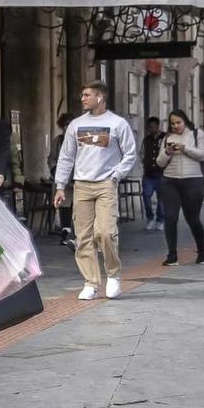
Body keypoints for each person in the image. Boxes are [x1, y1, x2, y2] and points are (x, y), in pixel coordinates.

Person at [54, 81, 138, 302]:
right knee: (83, 238)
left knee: (106, 233)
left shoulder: (117, 124)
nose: (82, 99)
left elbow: (130, 153)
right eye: (82, 95)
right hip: (81, 185)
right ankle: (91, 282)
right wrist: (60, 186)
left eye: (87, 95)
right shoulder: (75, 125)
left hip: (105, 185)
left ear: (100, 97)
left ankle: (113, 274)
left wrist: (116, 175)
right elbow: (66, 156)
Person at [157, 109, 204, 265]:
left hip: (192, 180)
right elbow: (160, 162)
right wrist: (167, 151)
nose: (175, 126)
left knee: (192, 218)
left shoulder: (196, 134)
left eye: (178, 123)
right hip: (170, 181)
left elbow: (203, 154)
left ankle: (202, 251)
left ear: (185, 121)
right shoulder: (168, 137)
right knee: (170, 218)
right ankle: (172, 255)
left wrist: (184, 148)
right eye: (172, 123)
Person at [48, 109, 76, 249]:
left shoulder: (79, 140)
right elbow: (51, 158)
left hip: (76, 179)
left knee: (77, 206)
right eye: (64, 125)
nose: (66, 127)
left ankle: (77, 234)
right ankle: (65, 232)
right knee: (64, 206)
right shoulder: (57, 141)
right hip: (61, 179)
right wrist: (54, 170)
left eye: (69, 124)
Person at [141, 116, 163, 231]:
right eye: (149, 127)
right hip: (148, 174)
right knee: (145, 195)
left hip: (161, 174)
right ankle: (150, 217)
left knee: (162, 199)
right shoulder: (146, 140)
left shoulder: (165, 138)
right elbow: (142, 153)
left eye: (153, 127)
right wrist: (144, 161)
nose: (151, 129)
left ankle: (160, 220)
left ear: (158, 126)